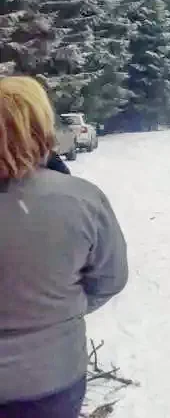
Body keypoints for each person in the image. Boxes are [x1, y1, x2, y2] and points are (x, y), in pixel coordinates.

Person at [0, 76, 128, 418]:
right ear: (42, 127)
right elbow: (111, 279)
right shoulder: (81, 199)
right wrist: (60, 310)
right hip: (50, 378)